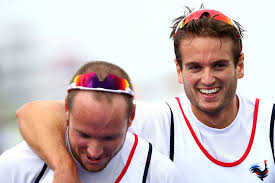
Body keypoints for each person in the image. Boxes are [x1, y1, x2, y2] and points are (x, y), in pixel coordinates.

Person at [15, 7, 275, 183]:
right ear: (179, 71)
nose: (207, 79)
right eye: (195, 67)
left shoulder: (269, 124)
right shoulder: (159, 121)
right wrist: (65, 168)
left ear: (239, 66)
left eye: (219, 65)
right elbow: (32, 113)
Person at [0, 61, 181, 183]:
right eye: (84, 135)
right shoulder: (15, 168)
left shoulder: (158, 174)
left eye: (109, 138)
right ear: (66, 110)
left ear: (131, 116)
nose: (94, 152)